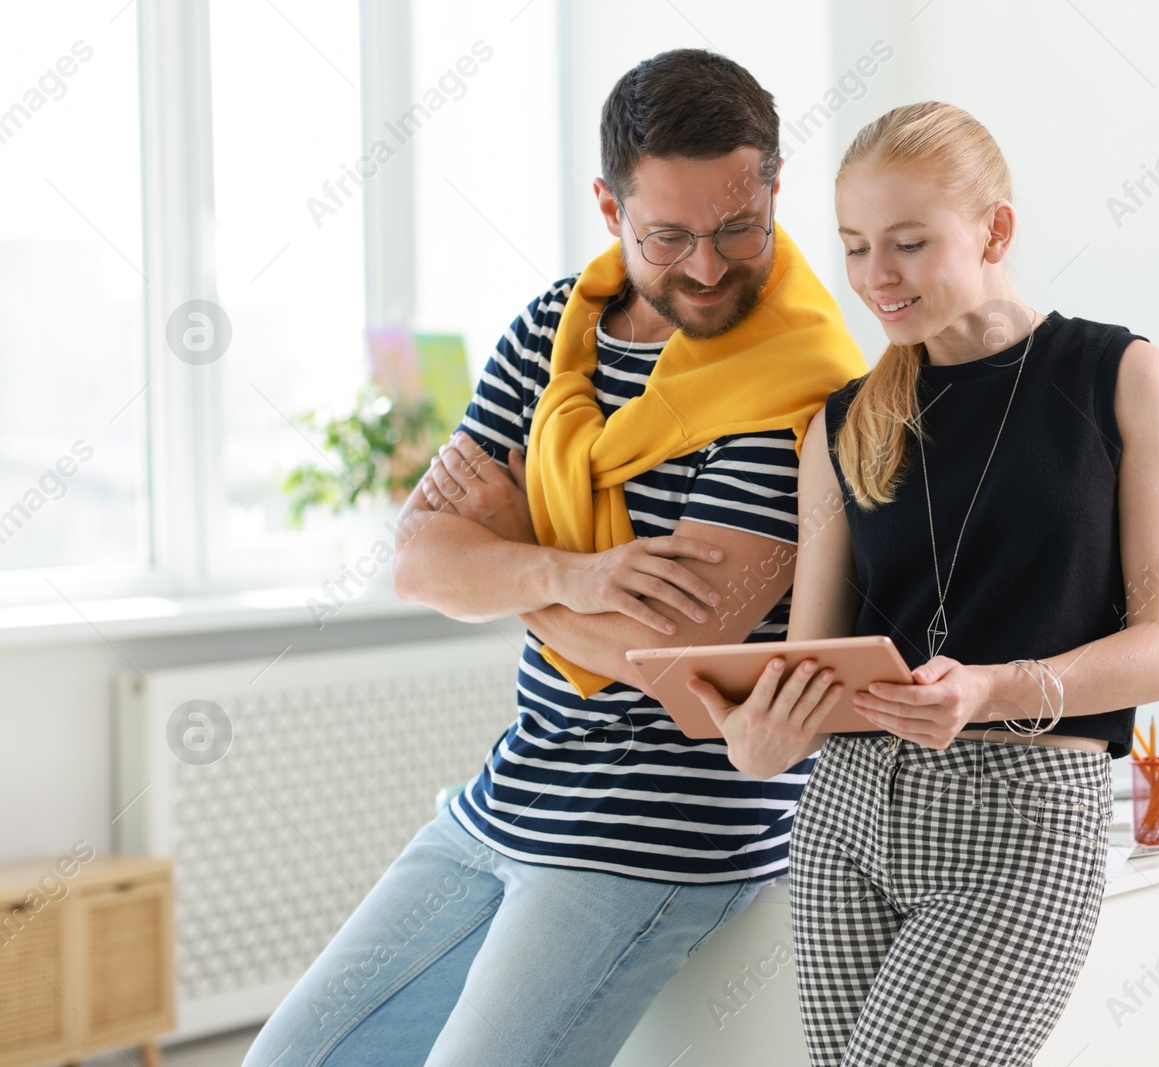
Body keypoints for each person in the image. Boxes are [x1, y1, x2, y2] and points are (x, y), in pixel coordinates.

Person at [242, 50, 863, 1067]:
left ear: (773, 192)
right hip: (512, 789)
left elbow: (675, 648)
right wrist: (564, 574)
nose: (706, 267)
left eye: (736, 228)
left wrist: (510, 552)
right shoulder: (553, 328)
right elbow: (418, 562)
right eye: (667, 236)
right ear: (608, 207)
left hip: (664, 826)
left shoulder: (797, 386)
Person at [684, 101, 1159, 1065]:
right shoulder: (840, 424)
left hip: (1022, 817)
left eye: (910, 243)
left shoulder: (1122, 377)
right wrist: (761, 736)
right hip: (844, 820)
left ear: (996, 229)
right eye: (854, 247)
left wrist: (991, 689)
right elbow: (815, 655)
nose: (876, 277)